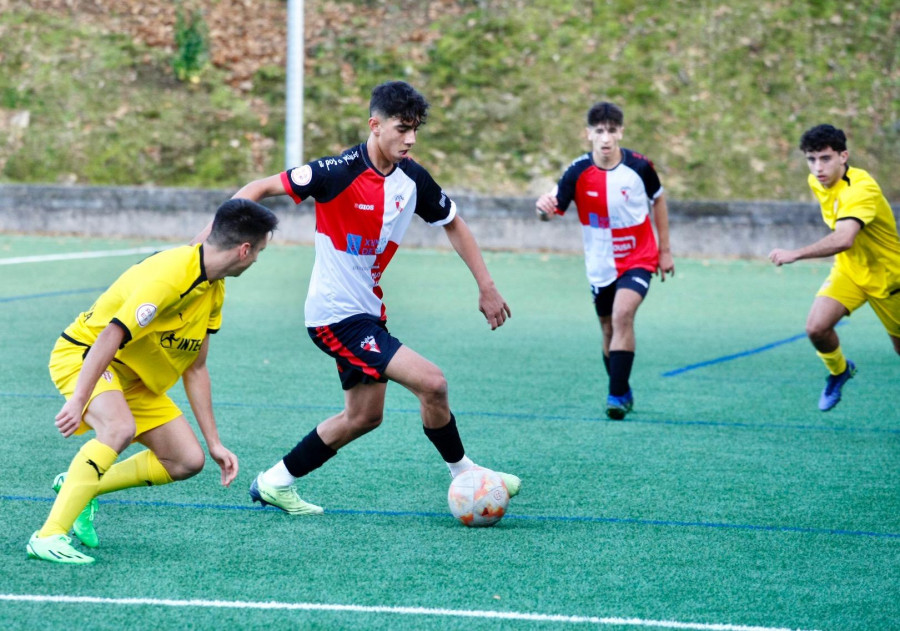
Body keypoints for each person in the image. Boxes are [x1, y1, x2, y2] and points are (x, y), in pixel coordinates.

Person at [196, 80, 519, 516]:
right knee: (433, 383)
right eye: (403, 128)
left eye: (416, 129)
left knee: (364, 416)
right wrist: (210, 244)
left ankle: (274, 482)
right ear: (375, 125)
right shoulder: (336, 171)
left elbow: (453, 221)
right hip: (335, 315)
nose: (411, 139)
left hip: (367, 311)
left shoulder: (412, 178)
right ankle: (465, 472)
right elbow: (258, 187)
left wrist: (487, 285)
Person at [26, 199, 278, 564]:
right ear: (244, 249)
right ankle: (48, 536)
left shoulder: (214, 288)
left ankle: (79, 484)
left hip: (132, 377)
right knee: (118, 428)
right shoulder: (170, 276)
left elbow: (196, 368)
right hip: (86, 355)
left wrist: (214, 443)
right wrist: (79, 399)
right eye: (259, 252)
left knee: (185, 461)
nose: (256, 260)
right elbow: (109, 336)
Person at [535, 101, 674, 420]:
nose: (606, 138)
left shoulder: (640, 167)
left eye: (612, 131)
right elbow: (549, 213)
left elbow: (659, 200)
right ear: (589, 135)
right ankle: (622, 389)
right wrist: (542, 209)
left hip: (639, 257)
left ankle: (615, 396)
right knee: (608, 328)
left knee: (623, 314)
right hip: (599, 263)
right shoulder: (577, 171)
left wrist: (664, 250)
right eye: (599, 131)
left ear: (621, 132)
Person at [768, 124, 900, 411]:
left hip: (889, 278)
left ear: (844, 156)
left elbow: (844, 238)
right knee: (816, 328)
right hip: (850, 271)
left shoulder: (861, 189)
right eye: (811, 159)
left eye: (825, 158)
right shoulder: (817, 181)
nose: (818, 168)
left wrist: (796, 253)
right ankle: (840, 371)